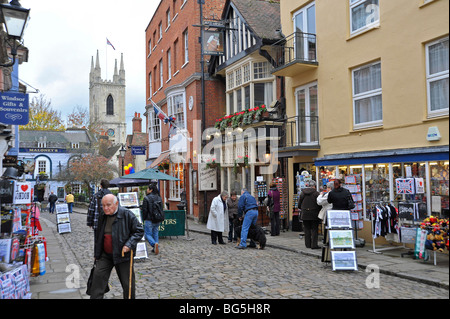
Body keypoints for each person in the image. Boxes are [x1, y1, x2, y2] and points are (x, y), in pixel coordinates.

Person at [89, 194, 144, 299]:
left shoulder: (126, 214)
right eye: (103, 205)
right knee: (97, 279)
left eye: (108, 205)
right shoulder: (102, 215)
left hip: (122, 255)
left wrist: (129, 244)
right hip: (105, 254)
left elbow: (139, 230)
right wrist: (97, 253)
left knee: (128, 284)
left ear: (116, 203)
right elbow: (99, 235)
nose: (105, 208)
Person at [298, 180, 321, 249]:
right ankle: (314, 245)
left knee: (307, 229)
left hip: (305, 213)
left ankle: (307, 244)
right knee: (314, 229)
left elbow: (299, 204)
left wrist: (303, 209)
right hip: (314, 213)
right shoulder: (316, 194)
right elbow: (319, 204)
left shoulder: (303, 193)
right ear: (314, 186)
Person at [142, 184, 163, 254]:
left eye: (148, 189)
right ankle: (156, 247)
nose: (147, 190)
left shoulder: (146, 198)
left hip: (149, 218)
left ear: (151, 190)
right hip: (157, 218)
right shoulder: (159, 197)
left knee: (147, 233)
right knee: (155, 233)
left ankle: (154, 245)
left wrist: (144, 218)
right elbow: (161, 208)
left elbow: (144, 210)